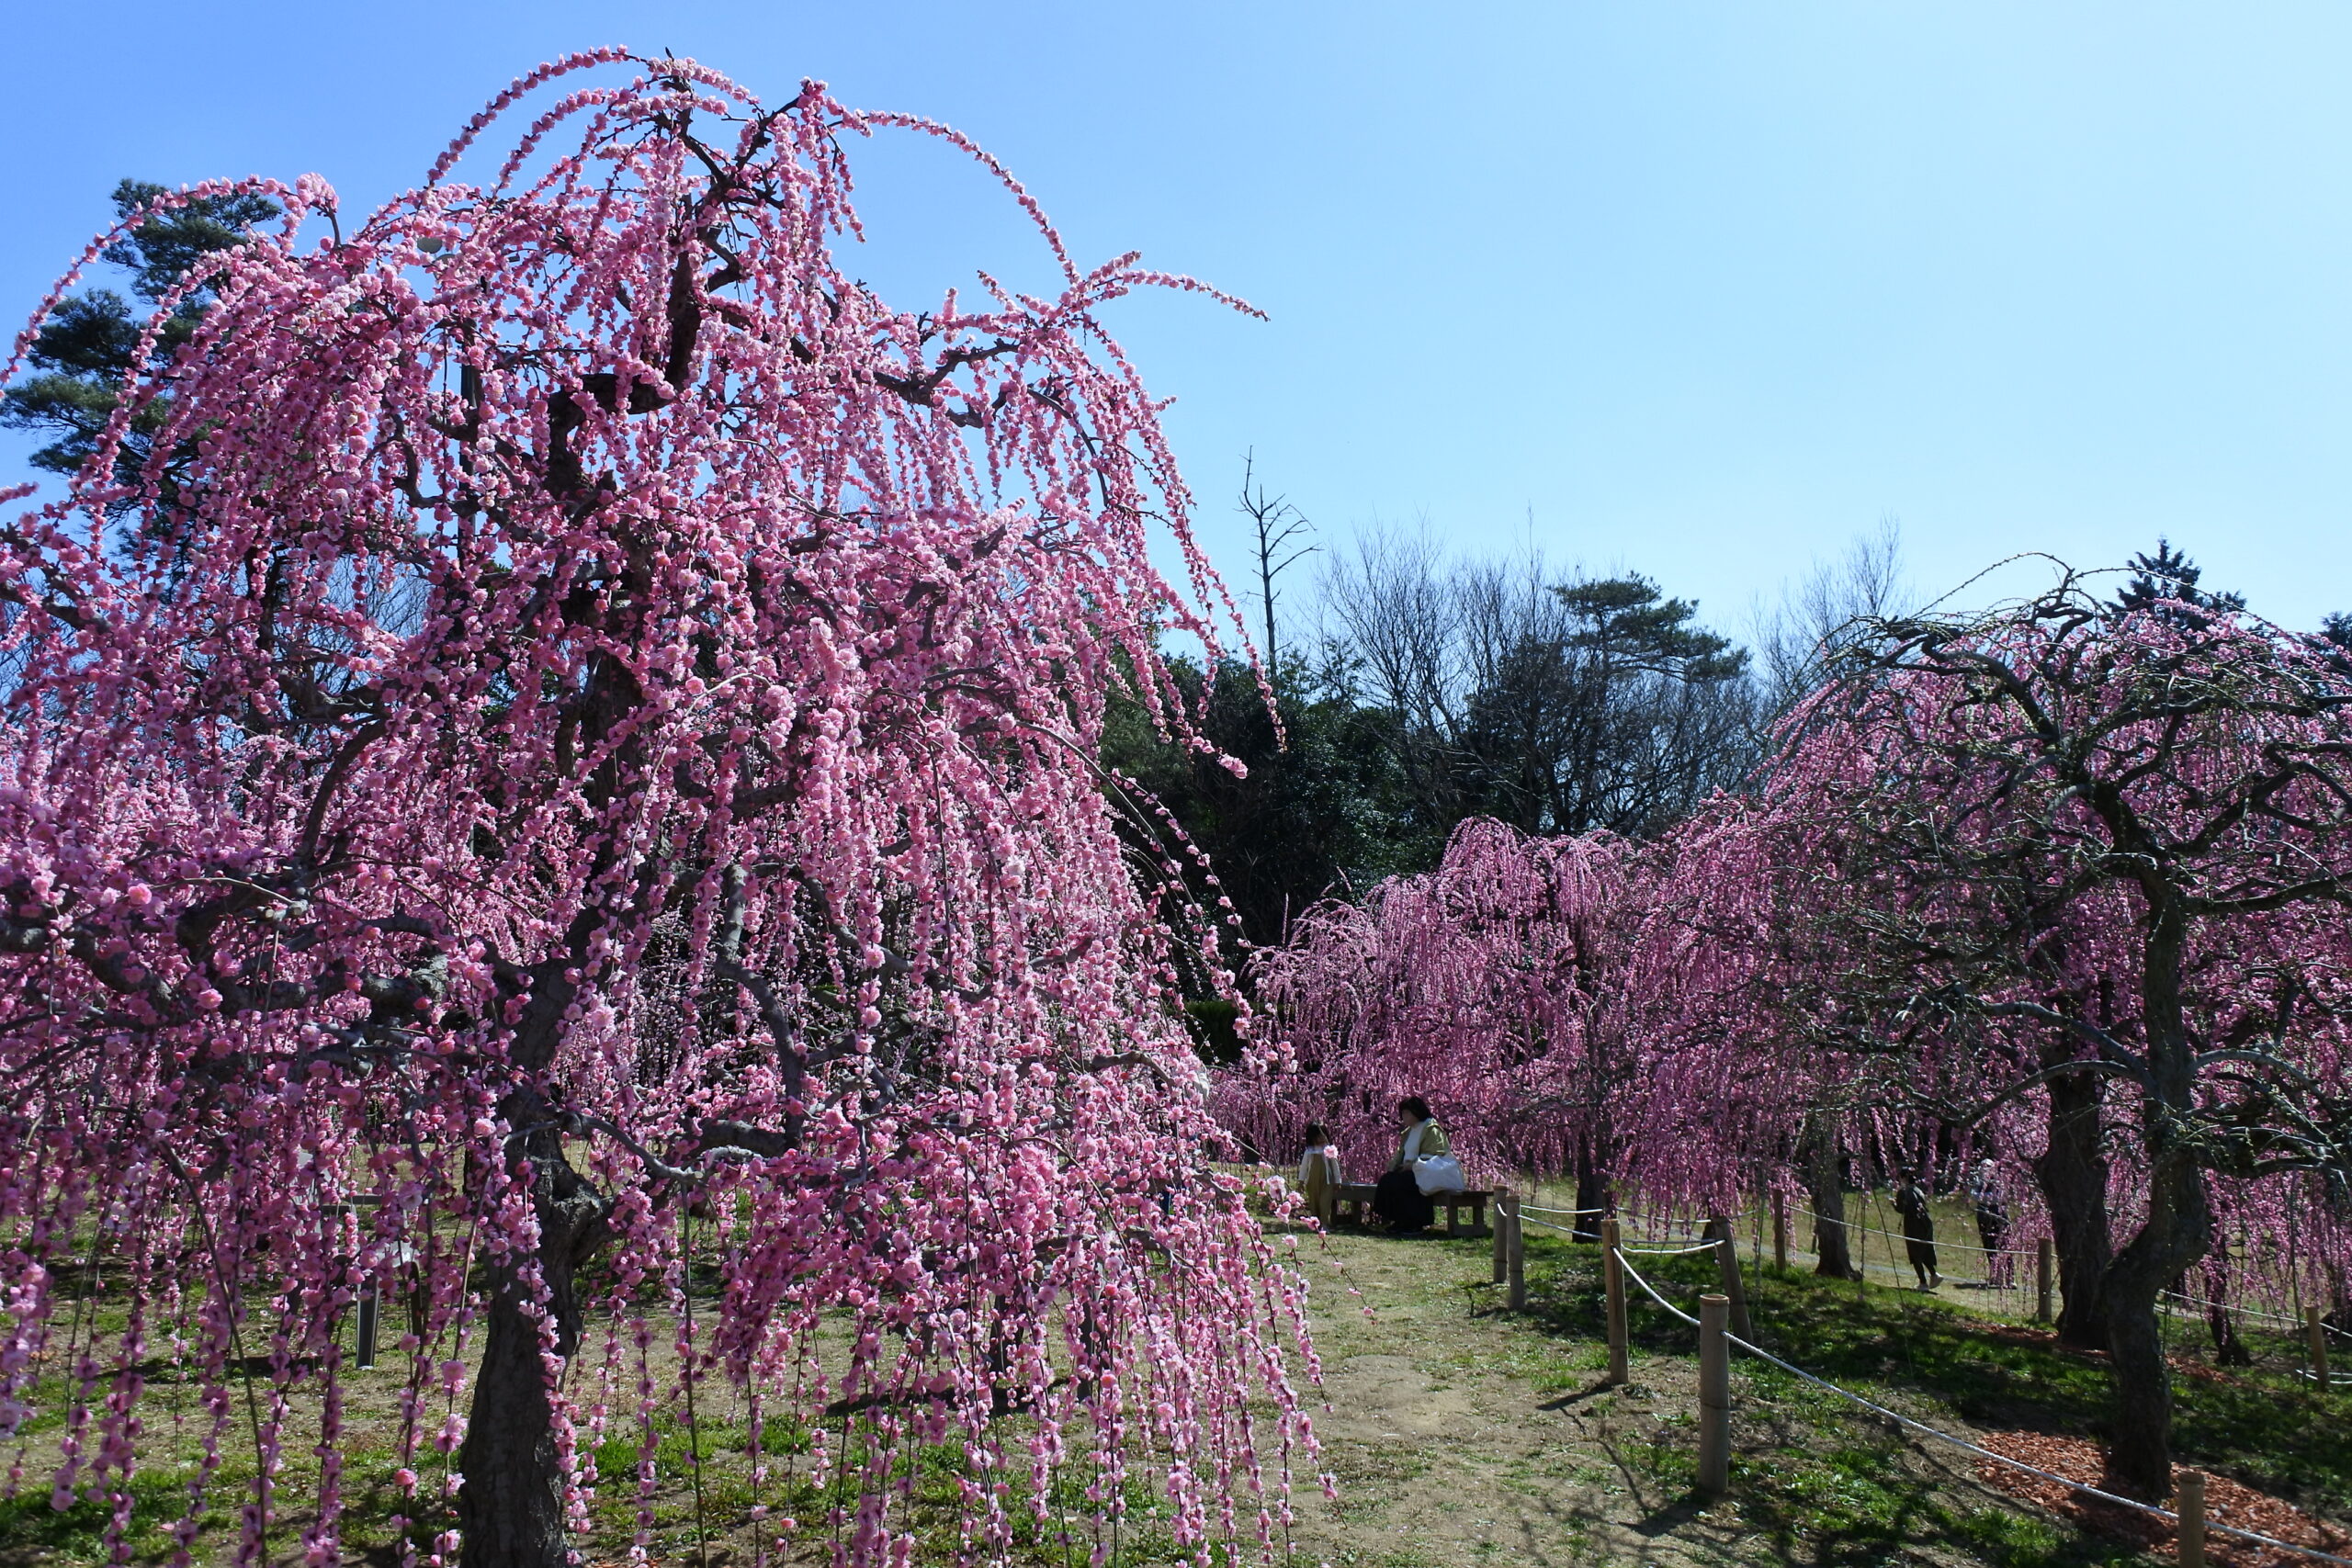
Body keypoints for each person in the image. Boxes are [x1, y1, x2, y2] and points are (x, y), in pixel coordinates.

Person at [1371, 1097, 1445, 1235]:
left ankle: (1414, 1224)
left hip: (1425, 1171)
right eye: (1403, 1113)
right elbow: (1401, 1154)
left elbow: (1435, 1153)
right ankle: (1398, 1221)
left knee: (1406, 1182)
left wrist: (1414, 1166)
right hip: (1407, 1170)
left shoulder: (1431, 1129)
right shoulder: (1408, 1132)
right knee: (1387, 1180)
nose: (1404, 1117)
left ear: (1417, 1112)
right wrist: (1395, 1166)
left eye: (1407, 1113)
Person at [1893, 1172, 1940, 1291]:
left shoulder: (1903, 1192)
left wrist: (1893, 1203)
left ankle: (1923, 1282)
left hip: (1913, 1225)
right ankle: (1934, 1275)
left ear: (1904, 1178)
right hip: (1925, 1223)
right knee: (1924, 1250)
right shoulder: (1918, 1190)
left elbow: (1901, 1209)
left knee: (1915, 1253)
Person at [1968, 1158, 2012, 1287]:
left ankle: (2009, 1277)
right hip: (1983, 1215)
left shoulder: (2000, 1181)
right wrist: (1985, 1198)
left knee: (2004, 1245)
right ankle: (1995, 1275)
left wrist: (1984, 1198)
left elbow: (1999, 1198)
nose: (1983, 1169)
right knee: (1989, 1245)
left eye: (1987, 1166)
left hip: (1999, 1215)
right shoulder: (1979, 1182)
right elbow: (1974, 1195)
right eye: (1982, 1166)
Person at [1295, 1122, 1342, 1226]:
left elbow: (1335, 1166)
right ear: (1312, 1138)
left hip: (1327, 1181)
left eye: (1323, 1135)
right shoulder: (1309, 1152)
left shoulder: (1329, 1151)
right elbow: (1304, 1167)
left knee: (1324, 1203)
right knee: (1314, 1202)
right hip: (1312, 1181)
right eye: (1318, 1136)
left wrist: (1338, 1181)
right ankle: (1315, 1224)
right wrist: (1301, 1181)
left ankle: (1324, 1224)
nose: (1321, 1139)